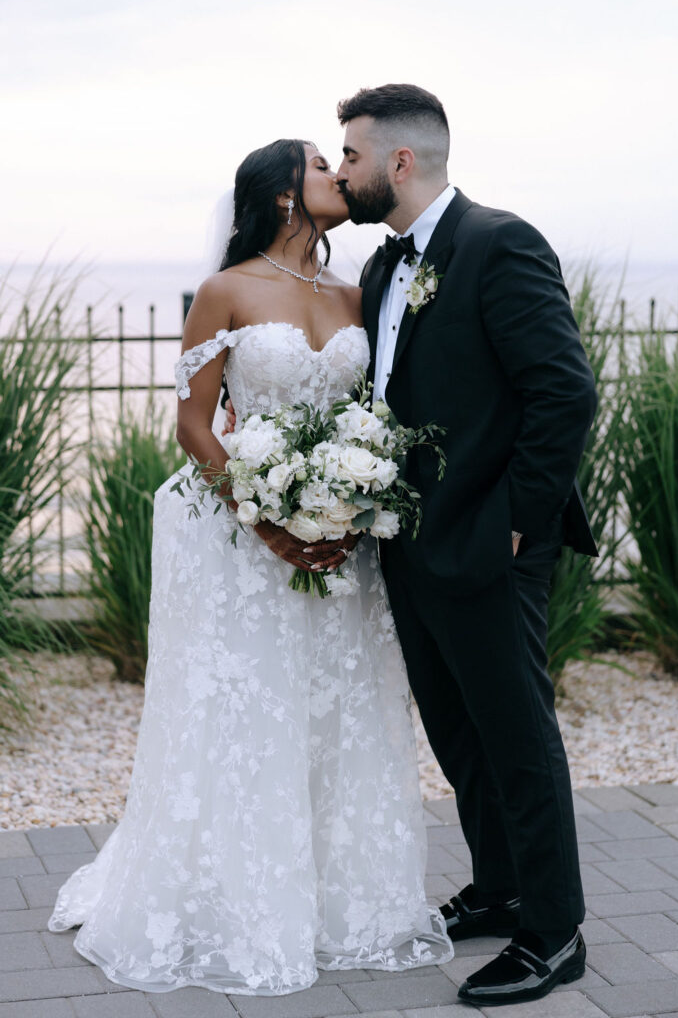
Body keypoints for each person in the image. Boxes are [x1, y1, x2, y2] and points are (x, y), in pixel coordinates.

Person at [46, 138, 454, 995]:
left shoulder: (358, 293)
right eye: (320, 164)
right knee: (247, 718)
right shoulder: (225, 291)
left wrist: (346, 505)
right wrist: (268, 520)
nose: (338, 175)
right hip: (242, 542)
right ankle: (236, 902)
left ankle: (338, 902)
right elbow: (194, 424)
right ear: (279, 195)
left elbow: (373, 420)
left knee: (333, 717)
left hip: (341, 544)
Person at [333, 83, 599, 1007]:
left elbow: (563, 393)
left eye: (352, 157)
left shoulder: (498, 243)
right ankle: (498, 888)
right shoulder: (379, 270)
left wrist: (517, 520)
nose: (342, 173)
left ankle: (552, 933)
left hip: (490, 541)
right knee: (458, 732)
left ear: (400, 162)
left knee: (517, 737)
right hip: (411, 545)